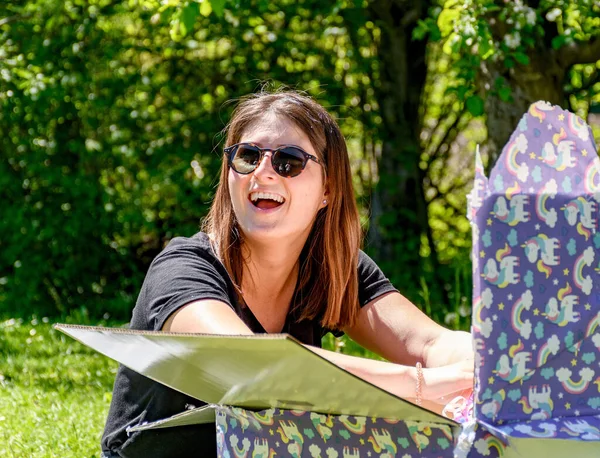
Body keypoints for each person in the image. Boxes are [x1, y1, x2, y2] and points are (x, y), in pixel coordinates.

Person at [101, 90, 474, 457]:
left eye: (288, 161)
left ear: (328, 188)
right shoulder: (183, 268)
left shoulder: (334, 265)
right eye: (246, 157)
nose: (262, 172)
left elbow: (429, 345)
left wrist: (486, 364)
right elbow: (255, 366)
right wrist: (423, 386)